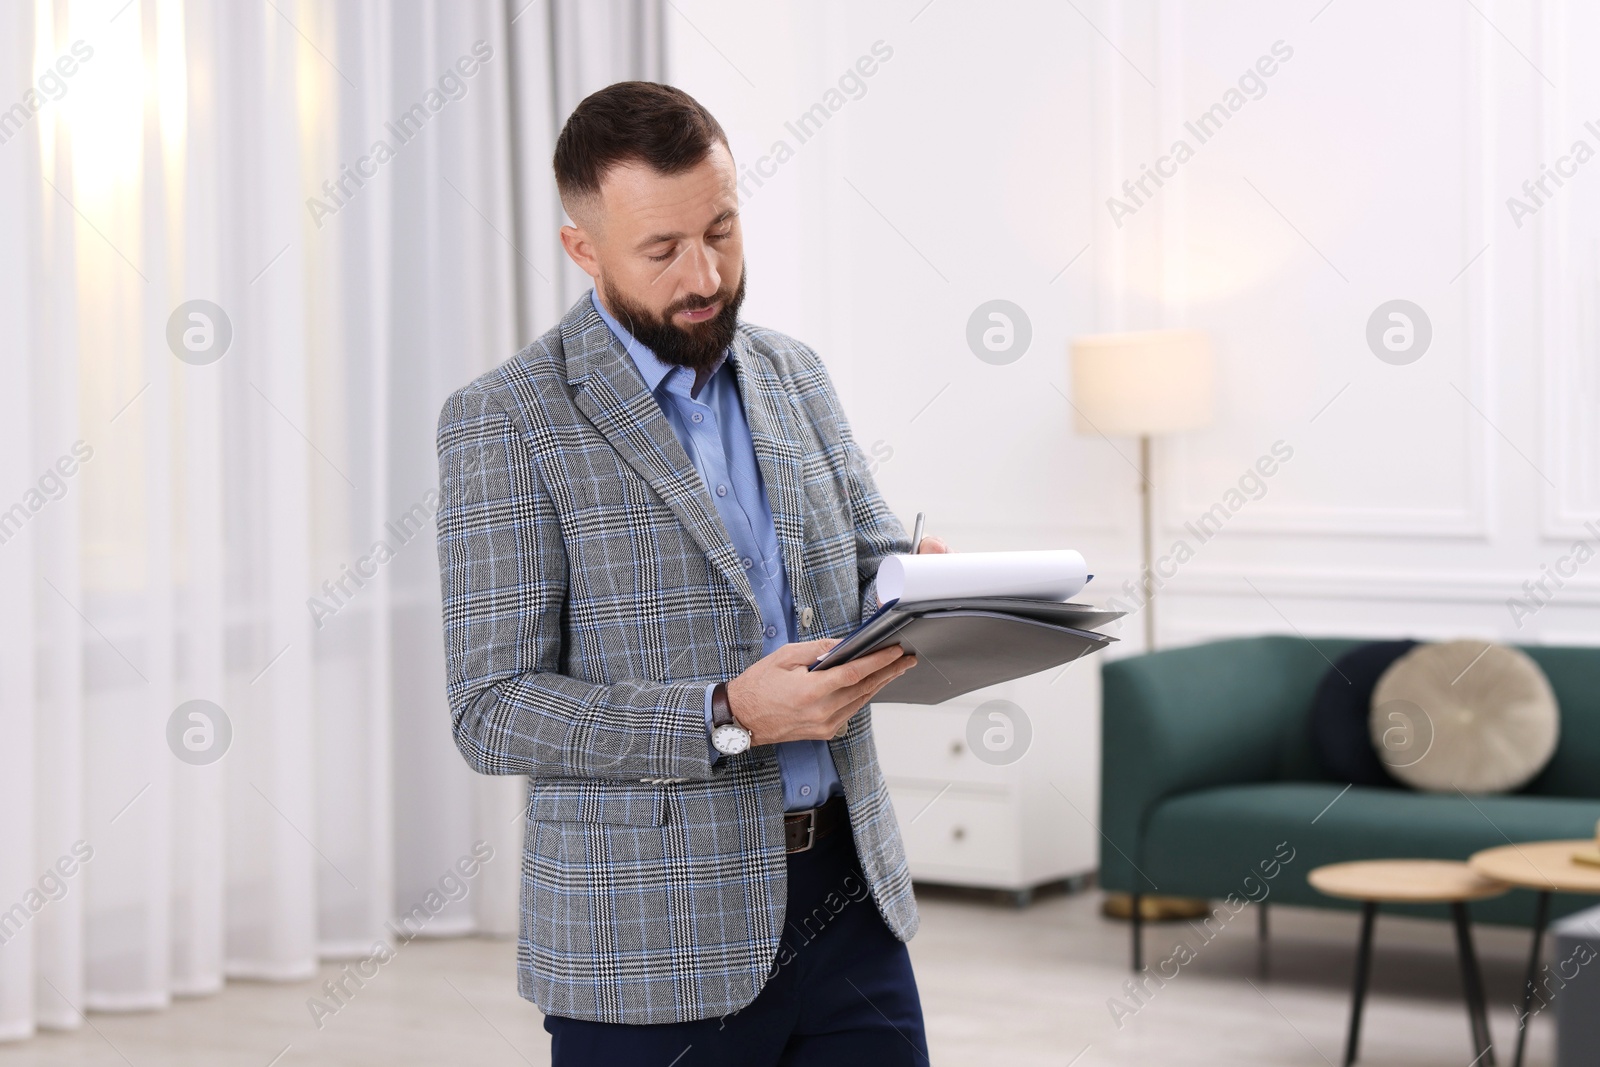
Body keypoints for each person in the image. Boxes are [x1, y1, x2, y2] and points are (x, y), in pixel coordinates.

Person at [434, 80, 948, 1065]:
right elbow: (492, 708)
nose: (704, 272)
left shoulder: (793, 370)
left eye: (720, 229)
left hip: (851, 902)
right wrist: (729, 710)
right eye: (662, 250)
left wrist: (924, 587)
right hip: (646, 941)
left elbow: (866, 551)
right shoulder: (504, 419)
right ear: (583, 250)